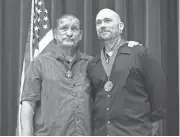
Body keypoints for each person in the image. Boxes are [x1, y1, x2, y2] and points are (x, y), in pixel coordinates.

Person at [87, 8, 167, 136]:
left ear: (120, 27)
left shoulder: (139, 53)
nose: (102, 25)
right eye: (98, 22)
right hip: (102, 132)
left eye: (107, 21)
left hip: (135, 131)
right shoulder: (93, 64)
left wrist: (155, 121)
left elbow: (158, 87)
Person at [20, 14, 93, 136]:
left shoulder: (91, 64)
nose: (69, 33)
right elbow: (28, 104)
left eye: (74, 29)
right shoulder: (39, 63)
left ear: (80, 35)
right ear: (55, 33)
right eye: (64, 28)